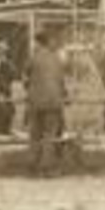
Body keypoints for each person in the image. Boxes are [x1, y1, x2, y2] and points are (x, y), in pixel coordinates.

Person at [25, 30, 67, 176]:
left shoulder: (34, 58)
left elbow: (26, 77)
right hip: (54, 101)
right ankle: (47, 167)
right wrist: (63, 95)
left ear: (37, 42)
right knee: (50, 134)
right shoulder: (57, 58)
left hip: (36, 102)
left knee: (35, 134)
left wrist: (30, 90)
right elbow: (61, 81)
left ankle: (33, 165)